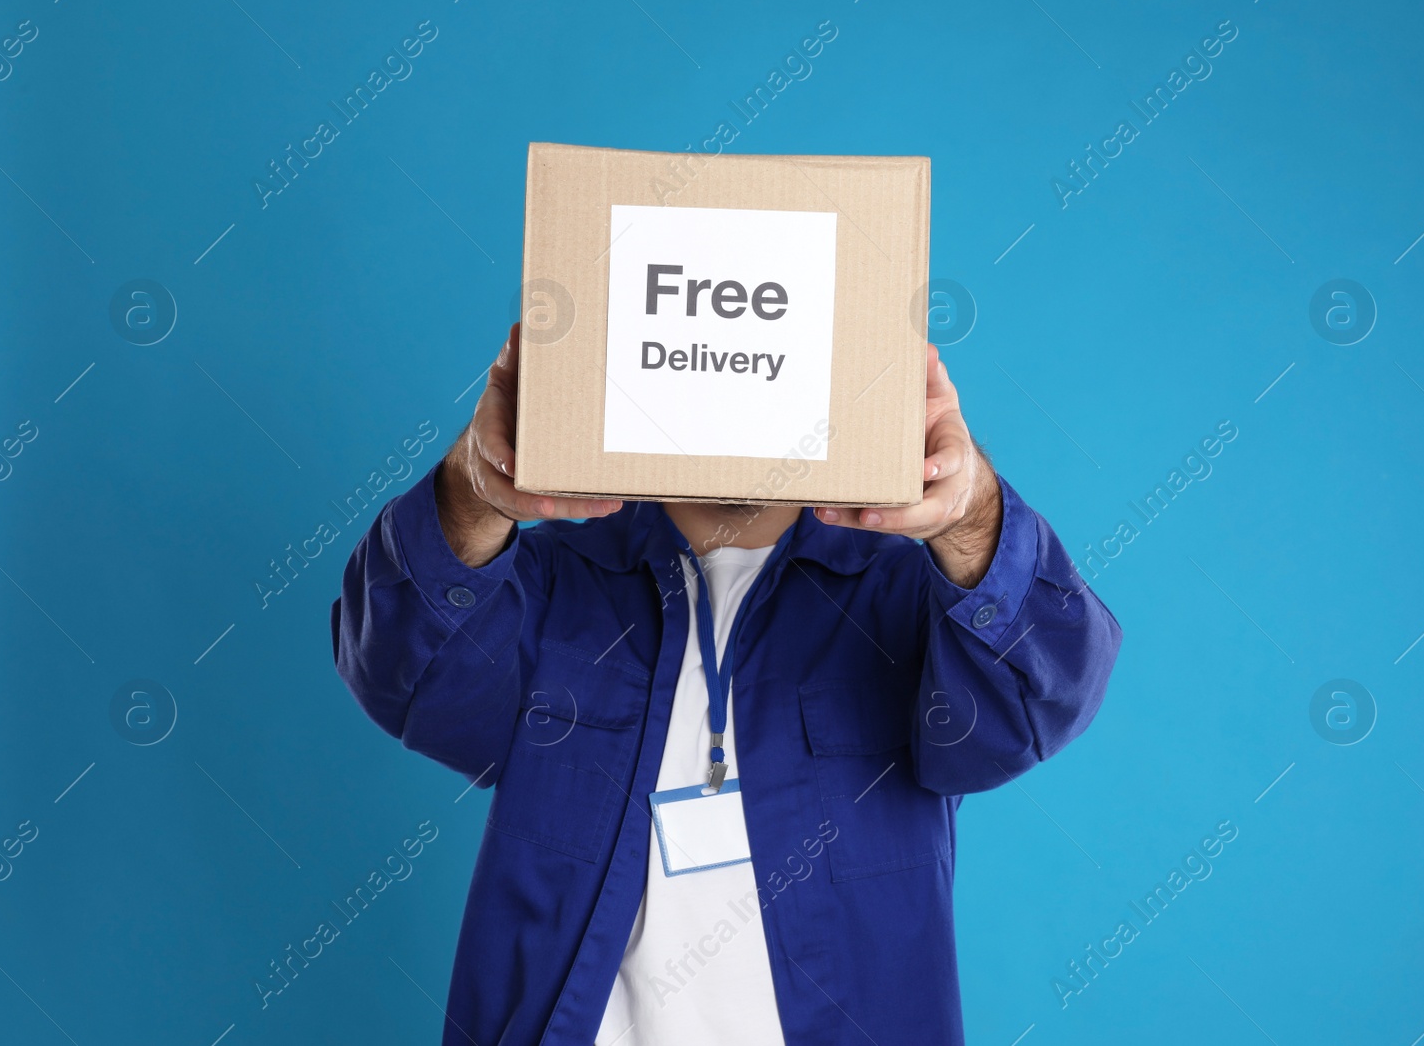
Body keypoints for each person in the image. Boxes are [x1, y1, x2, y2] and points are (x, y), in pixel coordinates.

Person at [332, 323, 1122, 1046]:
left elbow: (1037, 704)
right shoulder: (549, 584)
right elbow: (404, 674)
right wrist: (472, 490)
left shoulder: (908, 594)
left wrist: (972, 514)